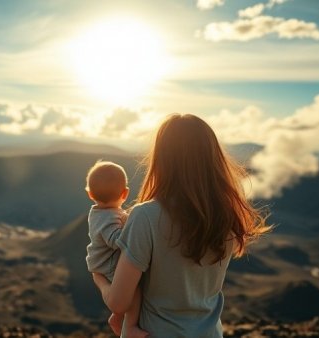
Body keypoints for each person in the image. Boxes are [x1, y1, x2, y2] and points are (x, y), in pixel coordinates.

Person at [92, 114, 271, 337]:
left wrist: (98, 278)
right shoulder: (226, 216)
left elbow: (118, 303)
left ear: (162, 159)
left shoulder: (146, 216)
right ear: (212, 158)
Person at [85, 161, 148, 337]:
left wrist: (127, 218)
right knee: (133, 292)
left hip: (104, 260)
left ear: (90, 194)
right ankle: (130, 326)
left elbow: (120, 220)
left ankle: (117, 317)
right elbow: (116, 241)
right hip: (108, 263)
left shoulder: (100, 212)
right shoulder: (107, 218)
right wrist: (133, 227)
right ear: (125, 193)